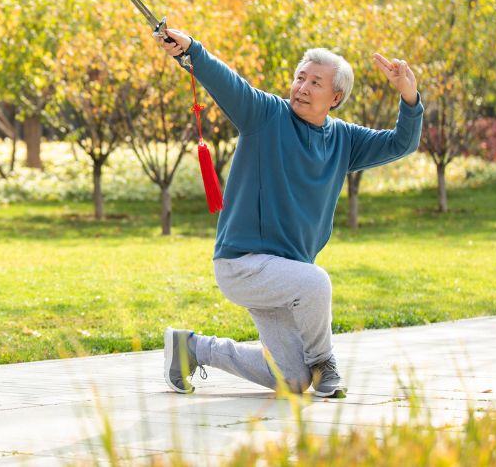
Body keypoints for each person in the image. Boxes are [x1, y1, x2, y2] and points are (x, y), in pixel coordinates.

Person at [157, 29, 423, 398]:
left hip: (286, 277)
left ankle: (192, 348)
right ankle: (324, 361)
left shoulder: (345, 140)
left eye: (316, 82)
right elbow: (229, 82)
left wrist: (409, 97)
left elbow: (402, 143)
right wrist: (191, 50)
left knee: (292, 380)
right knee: (316, 282)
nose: (303, 87)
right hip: (244, 264)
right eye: (301, 77)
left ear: (336, 97)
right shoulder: (266, 115)